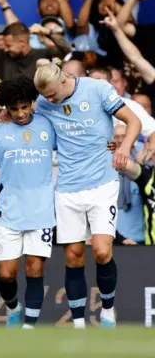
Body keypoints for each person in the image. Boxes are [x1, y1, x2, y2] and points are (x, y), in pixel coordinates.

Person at [32, 58, 141, 328]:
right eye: (45, 97)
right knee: (73, 255)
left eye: (53, 95)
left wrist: (125, 146)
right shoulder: (46, 99)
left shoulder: (97, 89)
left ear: (65, 80)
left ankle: (107, 310)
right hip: (67, 187)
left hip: (102, 183)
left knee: (103, 251)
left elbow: (133, 121)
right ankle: (79, 324)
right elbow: (29, 119)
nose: (49, 101)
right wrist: (6, 114)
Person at [0, 77, 56, 329]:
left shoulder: (47, 124)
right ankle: (13, 308)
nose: (19, 113)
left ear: (32, 103)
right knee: (6, 275)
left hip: (41, 212)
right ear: (5, 107)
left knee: (35, 270)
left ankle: (29, 326)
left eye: (24, 107)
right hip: (8, 212)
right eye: (13, 108)